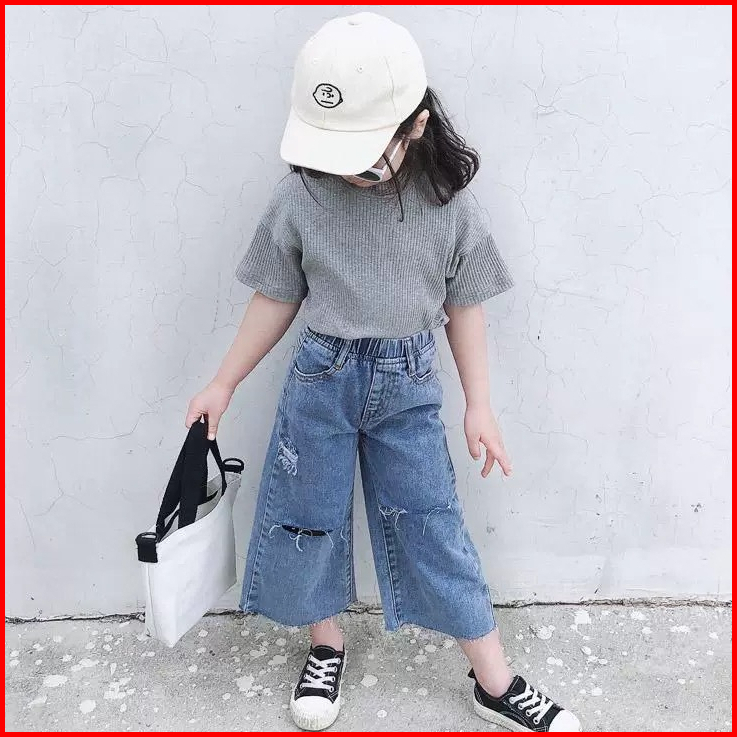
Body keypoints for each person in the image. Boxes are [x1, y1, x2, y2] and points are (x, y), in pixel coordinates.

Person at [186, 11, 581, 733]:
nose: (350, 173)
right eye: (337, 153)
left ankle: (493, 679)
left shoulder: (447, 207)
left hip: (408, 384)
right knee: (308, 513)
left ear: (416, 126)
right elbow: (275, 294)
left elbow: (464, 305)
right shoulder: (302, 196)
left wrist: (479, 403)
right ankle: (325, 644)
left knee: (433, 523)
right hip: (320, 379)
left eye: (366, 157)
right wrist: (224, 381)